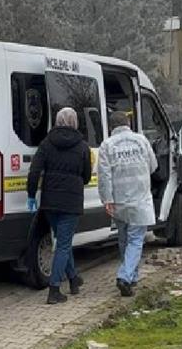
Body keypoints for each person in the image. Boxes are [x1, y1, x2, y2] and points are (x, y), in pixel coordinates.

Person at [27, 107, 91, 305]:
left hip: (50, 203)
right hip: (71, 202)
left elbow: (35, 170)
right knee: (63, 245)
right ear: (74, 122)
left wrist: (31, 195)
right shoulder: (82, 146)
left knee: (63, 243)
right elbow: (87, 176)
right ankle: (54, 289)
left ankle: (73, 279)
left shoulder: (46, 143)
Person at [97, 111, 158, 297]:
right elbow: (153, 166)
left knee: (124, 240)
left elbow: (104, 176)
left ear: (112, 126)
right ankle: (125, 276)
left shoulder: (107, 145)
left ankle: (131, 277)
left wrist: (107, 199)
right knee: (136, 240)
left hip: (119, 202)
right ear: (128, 123)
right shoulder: (141, 141)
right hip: (140, 200)